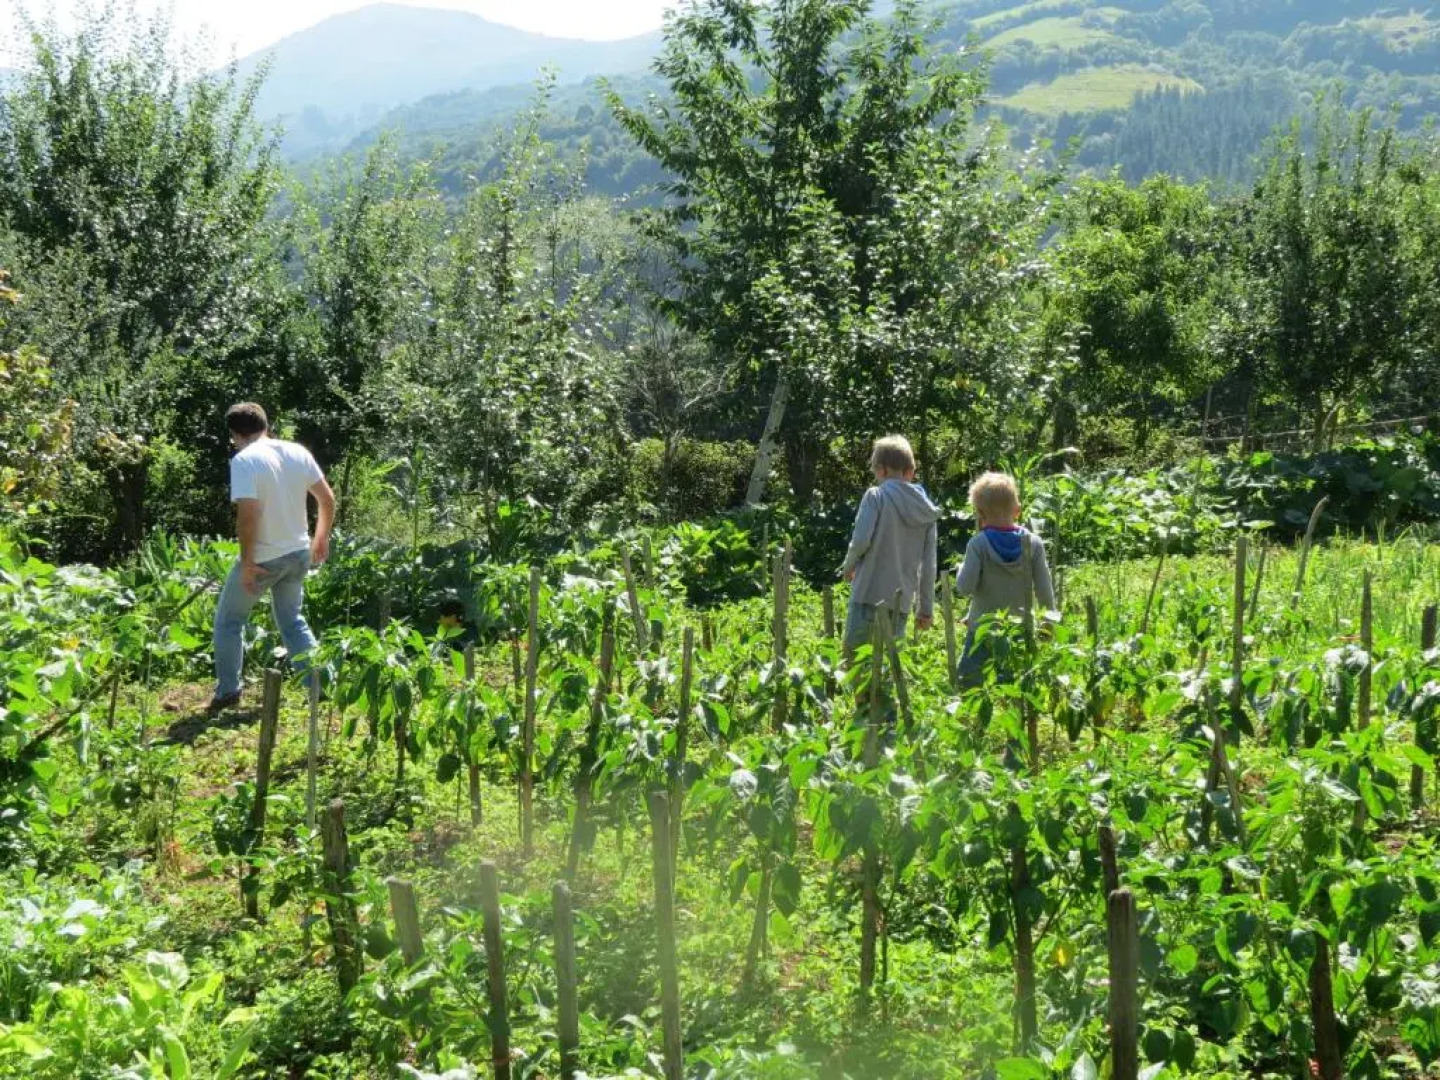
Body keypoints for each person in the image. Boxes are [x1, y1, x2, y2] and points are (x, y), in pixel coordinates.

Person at [209, 403, 335, 714]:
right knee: (292, 620)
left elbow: (248, 517)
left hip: (265, 558)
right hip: (298, 552)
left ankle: (228, 692)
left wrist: (247, 563)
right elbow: (327, 499)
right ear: (266, 426)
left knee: (229, 622)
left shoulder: (245, 460)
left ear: (235, 435)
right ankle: (321, 686)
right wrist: (320, 538)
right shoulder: (297, 452)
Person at [838, 435, 941, 661]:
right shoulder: (927, 512)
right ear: (910, 471)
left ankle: (860, 687)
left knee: (855, 663)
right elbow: (929, 566)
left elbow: (861, 541)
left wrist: (849, 567)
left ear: (882, 470)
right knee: (889, 665)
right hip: (900, 603)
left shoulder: (876, 496)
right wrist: (925, 609)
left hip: (867, 593)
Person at [954, 471, 1056, 687]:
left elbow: (964, 588)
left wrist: (961, 568)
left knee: (970, 684)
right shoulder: (1034, 544)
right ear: (1017, 510)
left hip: (982, 631)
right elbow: (1044, 589)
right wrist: (1048, 624)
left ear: (980, 514)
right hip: (1019, 629)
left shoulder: (978, 544)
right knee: (1016, 685)